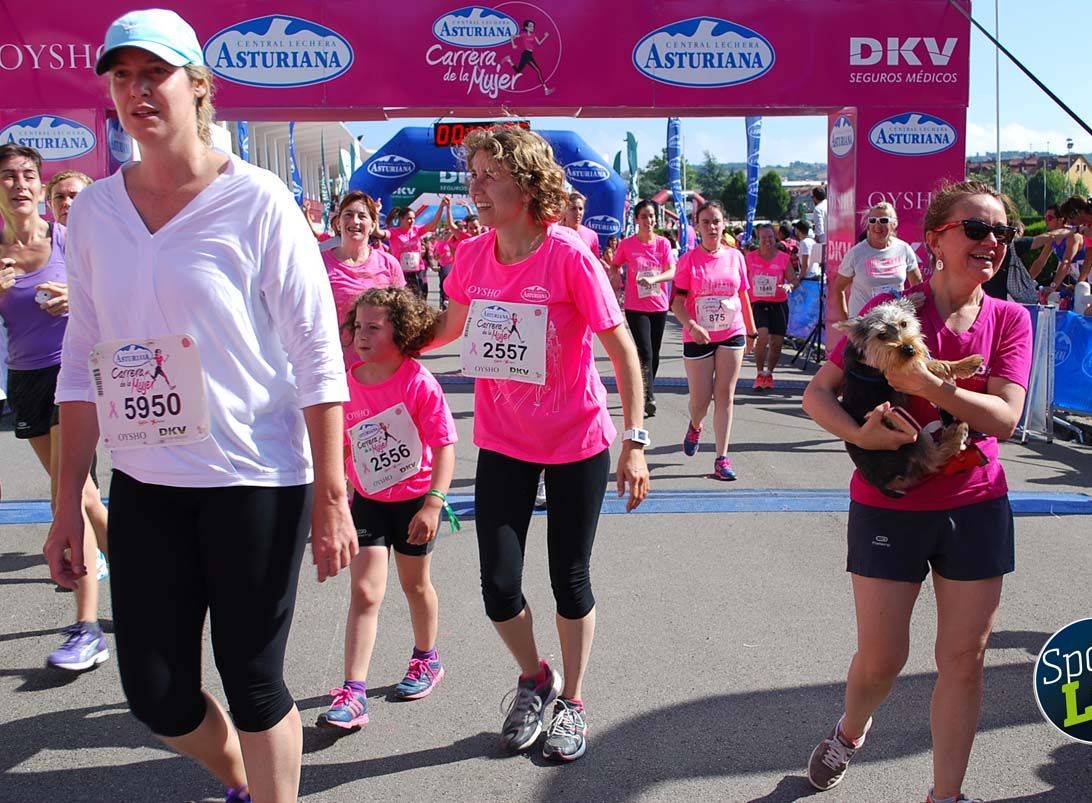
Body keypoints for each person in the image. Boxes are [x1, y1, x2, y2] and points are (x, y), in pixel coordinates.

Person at [44, 11, 356, 803]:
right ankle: (250, 783)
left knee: (254, 680)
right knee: (155, 692)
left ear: (199, 87)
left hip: (256, 478)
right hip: (147, 481)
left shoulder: (257, 201)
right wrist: (65, 508)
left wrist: (331, 491)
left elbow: (318, 352)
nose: (138, 90)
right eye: (122, 77)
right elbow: (82, 361)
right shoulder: (93, 213)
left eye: (156, 74)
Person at [422, 125, 648, 762]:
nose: (476, 188)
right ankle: (534, 677)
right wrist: (387, 342)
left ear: (525, 184)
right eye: (473, 176)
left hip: (577, 440)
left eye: (489, 176)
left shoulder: (568, 254)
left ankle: (572, 700)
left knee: (569, 578)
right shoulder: (470, 257)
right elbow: (449, 327)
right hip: (503, 442)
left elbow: (622, 346)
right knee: (498, 584)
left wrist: (634, 439)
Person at [802, 180, 1031, 803]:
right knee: (883, 660)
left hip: (977, 503)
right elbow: (816, 393)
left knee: (964, 659)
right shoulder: (893, 314)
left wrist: (929, 386)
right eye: (976, 229)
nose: (992, 243)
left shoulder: (1010, 319)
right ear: (935, 239)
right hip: (890, 505)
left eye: (1001, 233)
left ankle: (944, 795)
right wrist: (862, 438)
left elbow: (1005, 419)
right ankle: (850, 731)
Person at [318, 286, 458, 730]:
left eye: (374, 327)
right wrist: (335, 496)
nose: (361, 335)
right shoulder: (346, 381)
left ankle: (426, 658)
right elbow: (340, 444)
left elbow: (444, 446)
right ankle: (353, 692)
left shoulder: (418, 382)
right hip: (370, 502)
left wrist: (434, 504)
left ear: (402, 332)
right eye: (358, 326)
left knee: (415, 586)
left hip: (415, 503)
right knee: (365, 592)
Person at [0, 144, 110, 672]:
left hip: (76, 374)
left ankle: (87, 628)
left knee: (67, 493)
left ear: (40, 188)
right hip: (25, 380)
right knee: (85, 497)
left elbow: (113, 295)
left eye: (27, 176)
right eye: (8, 176)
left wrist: (78, 296)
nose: (19, 184)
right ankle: (146, 581)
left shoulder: (69, 238)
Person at [671, 200, 755, 481]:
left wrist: (751, 331)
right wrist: (692, 325)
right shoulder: (688, 261)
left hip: (732, 332)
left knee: (725, 395)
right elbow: (677, 303)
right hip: (698, 335)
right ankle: (695, 425)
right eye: (705, 222)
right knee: (701, 398)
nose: (711, 227)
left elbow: (743, 295)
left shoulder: (735, 257)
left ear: (724, 224)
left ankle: (721, 458)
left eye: (716, 221)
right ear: (697, 226)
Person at [610, 199, 675, 416]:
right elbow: (615, 265)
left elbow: (672, 270)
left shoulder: (663, 244)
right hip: (635, 307)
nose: (649, 220)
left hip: (658, 305)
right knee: (645, 352)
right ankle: (648, 395)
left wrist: (656, 279)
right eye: (645, 216)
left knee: (654, 353)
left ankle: (646, 388)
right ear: (637, 220)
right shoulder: (627, 244)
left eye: (652, 216)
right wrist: (615, 277)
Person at [322, 192, 403, 367]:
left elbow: (402, 317)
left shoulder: (389, 263)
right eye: (348, 215)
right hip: (333, 366)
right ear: (338, 222)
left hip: (379, 365)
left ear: (373, 224)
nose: (355, 221)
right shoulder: (318, 263)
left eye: (362, 216)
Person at [830, 203, 921, 324]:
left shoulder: (903, 249)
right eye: (873, 220)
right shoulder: (856, 253)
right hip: (864, 327)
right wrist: (847, 324)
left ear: (894, 223)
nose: (877, 226)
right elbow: (838, 288)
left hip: (894, 324)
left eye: (883, 220)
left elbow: (917, 284)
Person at [746, 223, 799, 390]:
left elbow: (793, 280)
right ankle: (759, 373)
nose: (767, 241)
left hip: (779, 303)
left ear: (775, 238)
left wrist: (789, 286)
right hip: (758, 303)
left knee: (776, 343)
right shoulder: (750, 258)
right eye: (763, 238)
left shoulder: (783, 258)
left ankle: (768, 374)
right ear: (758, 239)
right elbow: (741, 278)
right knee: (761, 336)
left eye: (770, 237)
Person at [386, 198, 449, 299]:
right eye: (409, 218)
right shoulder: (394, 232)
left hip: (417, 272)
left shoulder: (417, 230)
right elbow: (379, 233)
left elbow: (433, 223)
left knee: (420, 298)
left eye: (414, 218)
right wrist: (375, 214)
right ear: (401, 219)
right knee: (402, 299)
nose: (412, 221)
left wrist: (441, 207)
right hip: (401, 273)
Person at [1030, 204, 1086, 297]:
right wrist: (1027, 281)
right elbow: (1040, 261)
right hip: (1068, 277)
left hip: (1083, 279)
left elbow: (1066, 261)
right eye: (1045, 217)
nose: (1046, 221)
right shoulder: (1052, 237)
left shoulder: (1072, 236)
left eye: (1049, 218)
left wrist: (1053, 286)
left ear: (1061, 220)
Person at [504, 19, 553, 95]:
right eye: (530, 26)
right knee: (538, 71)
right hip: (526, 54)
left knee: (518, 71)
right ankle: (546, 89)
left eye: (533, 26)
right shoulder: (524, 34)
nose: (532, 27)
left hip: (528, 54)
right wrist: (513, 44)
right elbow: (512, 36)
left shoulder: (534, 35)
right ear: (526, 27)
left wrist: (545, 37)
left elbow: (539, 43)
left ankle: (509, 60)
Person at [559, 191, 600, 258]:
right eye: (573, 209)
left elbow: (594, 264)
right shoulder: (555, 233)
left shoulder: (592, 235)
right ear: (565, 210)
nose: (578, 212)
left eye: (580, 209)